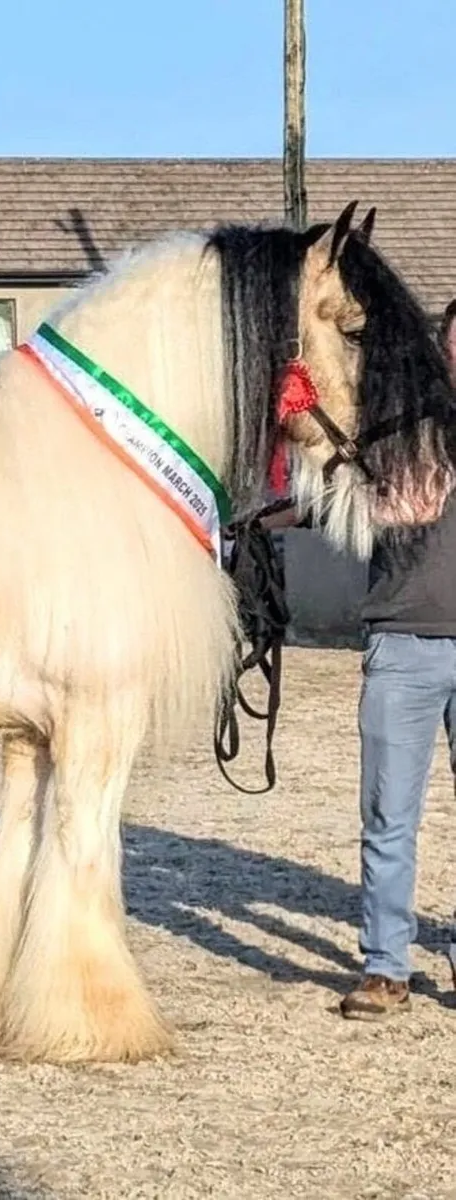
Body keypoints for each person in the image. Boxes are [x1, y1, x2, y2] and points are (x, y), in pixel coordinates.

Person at [340, 296, 456, 1019]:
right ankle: (386, 967)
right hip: (402, 643)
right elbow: (337, 492)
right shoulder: (395, 426)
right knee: (388, 815)